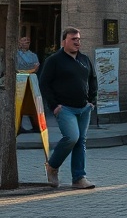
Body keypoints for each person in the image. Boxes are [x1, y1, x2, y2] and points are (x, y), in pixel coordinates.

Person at [38, 27, 98, 190]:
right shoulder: (54, 60)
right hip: (65, 109)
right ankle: (52, 166)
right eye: (73, 39)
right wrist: (54, 105)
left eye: (78, 39)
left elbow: (93, 80)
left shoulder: (84, 59)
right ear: (64, 41)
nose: (77, 42)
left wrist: (91, 101)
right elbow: (44, 84)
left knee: (80, 142)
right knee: (72, 137)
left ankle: (79, 178)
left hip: (84, 108)